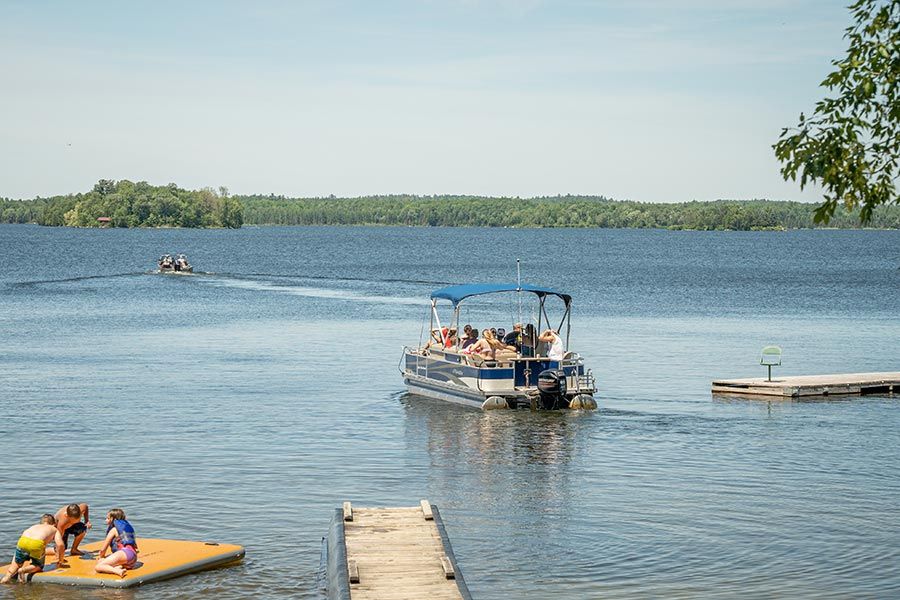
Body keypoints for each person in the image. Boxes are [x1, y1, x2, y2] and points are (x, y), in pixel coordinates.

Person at [1, 514, 65, 584]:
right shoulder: (54, 529)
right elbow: (60, 545)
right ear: (54, 524)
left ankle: (6, 577)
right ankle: (23, 570)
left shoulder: (34, 526)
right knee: (38, 565)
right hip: (36, 544)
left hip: (22, 541)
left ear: (41, 522)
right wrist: (60, 559)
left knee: (17, 563)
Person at [95, 508, 138, 578]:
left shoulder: (113, 530)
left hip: (125, 554)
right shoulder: (125, 528)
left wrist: (101, 557)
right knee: (105, 562)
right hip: (133, 558)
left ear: (113, 519)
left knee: (99, 566)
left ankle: (118, 571)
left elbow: (103, 550)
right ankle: (118, 567)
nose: (106, 520)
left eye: (108, 518)